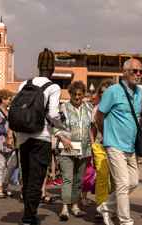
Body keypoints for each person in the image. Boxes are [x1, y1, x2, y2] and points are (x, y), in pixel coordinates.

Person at [16, 48, 64, 225]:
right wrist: (61, 125)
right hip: (41, 136)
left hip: (22, 136)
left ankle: (27, 214)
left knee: (27, 177)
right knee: (37, 179)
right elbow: (53, 115)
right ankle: (29, 217)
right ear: (52, 68)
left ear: (37, 66)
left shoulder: (24, 83)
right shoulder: (53, 87)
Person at [95, 59, 142, 225]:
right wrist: (106, 136)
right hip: (114, 144)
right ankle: (125, 221)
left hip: (130, 146)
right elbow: (99, 116)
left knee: (133, 182)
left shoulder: (140, 93)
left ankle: (105, 207)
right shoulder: (113, 91)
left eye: (140, 71)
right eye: (134, 71)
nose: (138, 74)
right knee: (122, 184)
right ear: (124, 72)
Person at [56, 81, 93, 221]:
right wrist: (63, 139)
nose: (77, 97)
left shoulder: (89, 108)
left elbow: (90, 127)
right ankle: (65, 207)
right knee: (67, 179)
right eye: (74, 94)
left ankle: (75, 206)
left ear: (83, 94)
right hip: (67, 148)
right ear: (70, 94)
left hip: (84, 149)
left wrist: (93, 144)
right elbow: (55, 126)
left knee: (78, 180)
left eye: (80, 94)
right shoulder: (63, 108)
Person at [92, 79, 115, 222]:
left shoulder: (117, 108)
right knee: (102, 177)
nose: (104, 95)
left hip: (116, 148)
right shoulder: (96, 109)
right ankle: (100, 207)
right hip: (100, 146)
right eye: (102, 92)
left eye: (108, 93)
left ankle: (111, 208)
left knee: (115, 180)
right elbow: (92, 129)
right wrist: (92, 146)